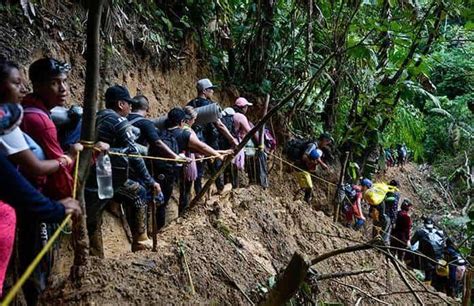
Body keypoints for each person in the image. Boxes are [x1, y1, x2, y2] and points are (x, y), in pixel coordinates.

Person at [0, 103, 82, 299]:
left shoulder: (20, 117)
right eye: (15, 82)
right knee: (37, 265)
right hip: (37, 204)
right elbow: (32, 169)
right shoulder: (36, 121)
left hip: (30, 206)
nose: (63, 88)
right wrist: (68, 158)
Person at [87, 85, 160, 255]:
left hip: (91, 175)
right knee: (139, 192)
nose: (130, 107)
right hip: (107, 176)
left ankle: (95, 255)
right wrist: (149, 181)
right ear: (120, 104)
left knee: (93, 216)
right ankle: (141, 239)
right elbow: (134, 154)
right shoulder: (118, 121)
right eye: (128, 104)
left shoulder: (97, 117)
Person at [149, 107, 229, 221]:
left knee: (159, 202)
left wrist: (221, 152)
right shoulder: (184, 134)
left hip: (155, 170)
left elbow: (198, 149)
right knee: (166, 202)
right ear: (182, 121)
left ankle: (155, 229)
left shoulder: (161, 132)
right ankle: (161, 230)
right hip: (171, 173)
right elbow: (202, 146)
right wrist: (218, 155)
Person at [187, 78, 237, 193]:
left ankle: (196, 195)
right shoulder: (210, 105)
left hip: (195, 140)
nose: (212, 92)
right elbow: (219, 125)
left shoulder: (190, 104)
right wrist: (232, 139)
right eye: (210, 89)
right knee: (216, 165)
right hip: (209, 140)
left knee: (198, 170)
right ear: (204, 91)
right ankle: (220, 189)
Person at [411, 218, 445, 286]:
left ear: (424, 224)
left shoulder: (420, 232)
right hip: (438, 257)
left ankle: (427, 285)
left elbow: (412, 242)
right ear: (433, 224)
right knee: (435, 273)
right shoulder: (440, 233)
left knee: (428, 272)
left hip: (426, 257)